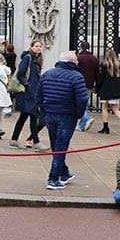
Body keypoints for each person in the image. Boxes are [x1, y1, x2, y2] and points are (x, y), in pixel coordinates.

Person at [37, 50, 90, 190]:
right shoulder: (76, 76)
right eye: (77, 60)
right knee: (60, 147)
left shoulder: (47, 74)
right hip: (67, 115)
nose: (78, 62)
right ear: (72, 61)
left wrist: (45, 108)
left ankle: (64, 172)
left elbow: (38, 95)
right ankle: (53, 179)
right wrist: (78, 114)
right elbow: (82, 99)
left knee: (56, 145)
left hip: (50, 114)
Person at [9, 41, 45, 150]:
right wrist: (27, 85)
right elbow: (20, 73)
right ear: (31, 47)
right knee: (33, 116)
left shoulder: (36, 60)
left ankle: (14, 140)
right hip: (27, 93)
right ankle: (36, 142)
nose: (38, 48)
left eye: (40, 46)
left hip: (32, 92)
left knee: (24, 117)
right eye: (36, 46)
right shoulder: (28, 58)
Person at [95, 49, 120, 135]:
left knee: (104, 108)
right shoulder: (119, 65)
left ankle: (105, 127)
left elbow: (100, 79)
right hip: (115, 90)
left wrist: (97, 88)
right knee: (115, 108)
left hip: (105, 89)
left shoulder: (104, 65)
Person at [76, 41, 100, 131]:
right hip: (89, 84)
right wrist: (96, 87)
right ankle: (81, 126)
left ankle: (87, 117)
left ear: (81, 48)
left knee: (79, 104)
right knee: (85, 103)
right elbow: (97, 74)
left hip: (79, 84)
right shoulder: (94, 59)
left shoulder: (79, 58)